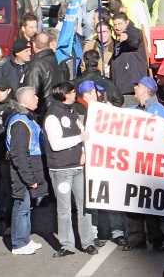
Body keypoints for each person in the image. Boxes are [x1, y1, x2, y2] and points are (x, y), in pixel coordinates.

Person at [44, 81, 100, 256]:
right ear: (65, 94)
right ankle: (67, 244)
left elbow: (83, 135)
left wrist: (83, 151)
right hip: (61, 170)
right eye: (73, 92)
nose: (75, 94)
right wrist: (79, 139)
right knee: (64, 208)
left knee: (85, 205)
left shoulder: (72, 112)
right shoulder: (53, 116)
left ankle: (88, 241)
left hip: (78, 166)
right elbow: (56, 143)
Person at [6, 86, 48, 255]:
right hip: (23, 173)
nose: (37, 98)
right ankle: (18, 244)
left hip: (29, 170)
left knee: (26, 208)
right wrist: (30, 178)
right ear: (23, 101)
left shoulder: (27, 118)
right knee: (21, 207)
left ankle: (24, 239)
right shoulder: (20, 123)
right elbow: (19, 154)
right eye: (33, 96)